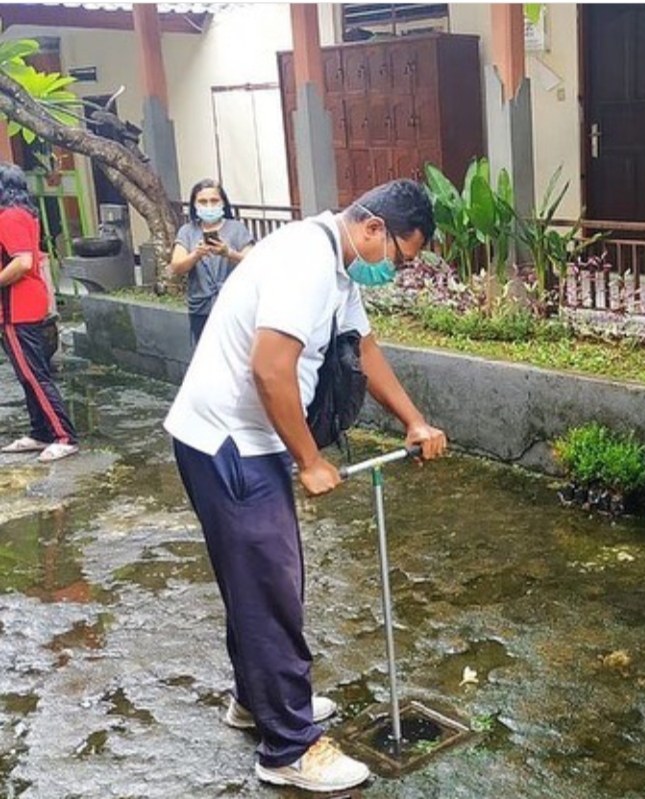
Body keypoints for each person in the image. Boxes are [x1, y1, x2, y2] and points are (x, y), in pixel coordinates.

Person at [164, 178, 447, 793]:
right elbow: (271, 368)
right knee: (271, 590)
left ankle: (257, 700)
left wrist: (414, 419)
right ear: (373, 228)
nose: (397, 270)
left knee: (256, 582)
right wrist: (310, 459)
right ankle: (288, 747)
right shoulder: (306, 262)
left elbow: (362, 349)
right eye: (401, 257)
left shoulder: (336, 263)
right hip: (229, 443)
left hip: (238, 438)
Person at [0, 162, 78, 463]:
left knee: (33, 375)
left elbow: (22, 262)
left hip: (17, 307)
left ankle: (64, 436)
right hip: (22, 304)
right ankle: (41, 432)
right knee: (28, 374)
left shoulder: (9, 217)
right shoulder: (22, 214)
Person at [167, 179, 254, 345]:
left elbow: (254, 262)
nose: (209, 206)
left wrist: (228, 253)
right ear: (194, 205)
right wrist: (196, 254)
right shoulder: (187, 231)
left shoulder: (237, 229)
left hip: (234, 306)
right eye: (203, 201)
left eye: (214, 201)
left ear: (223, 203)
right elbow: (176, 267)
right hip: (201, 309)